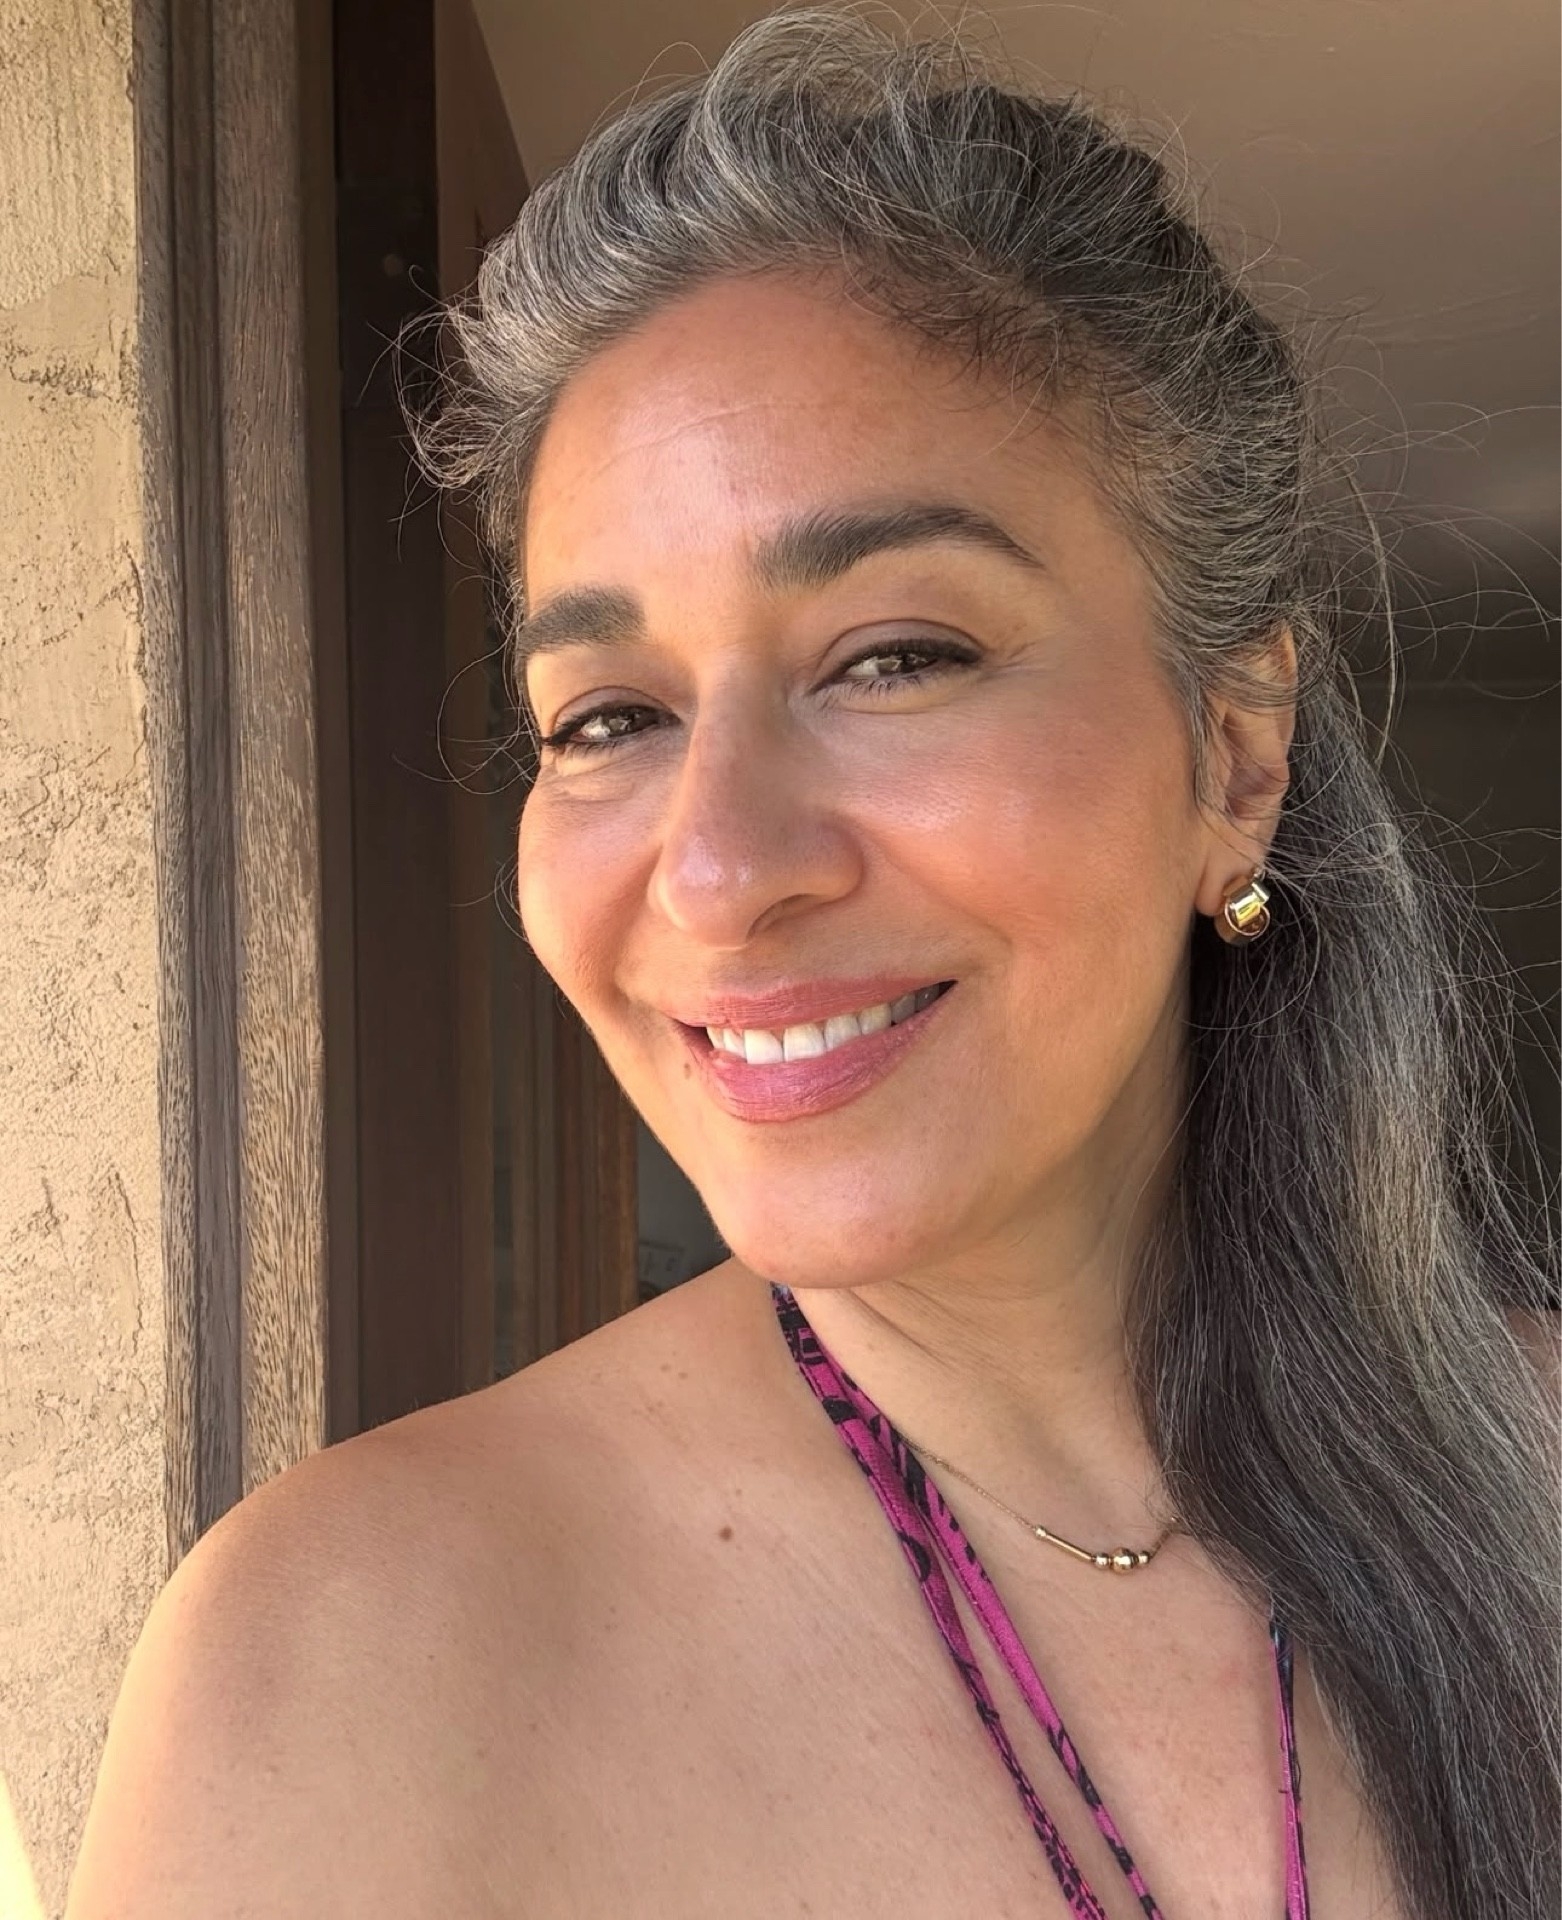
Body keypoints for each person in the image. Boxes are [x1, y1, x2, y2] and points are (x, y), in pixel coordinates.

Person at [68, 10, 1558, 1917]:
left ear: (1234, 754)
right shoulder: (349, 1669)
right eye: (607, 716)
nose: (715, 874)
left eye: (894, 657)